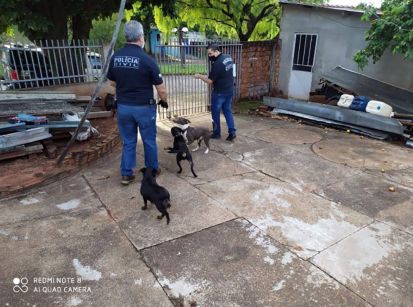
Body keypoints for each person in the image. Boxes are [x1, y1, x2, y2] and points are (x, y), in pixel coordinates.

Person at [107, 20, 168, 185]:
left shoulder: (116, 57)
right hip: (144, 108)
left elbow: (112, 83)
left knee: (128, 140)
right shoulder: (147, 60)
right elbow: (161, 89)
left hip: (124, 108)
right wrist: (164, 101)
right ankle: (152, 170)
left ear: (126, 36)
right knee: (148, 140)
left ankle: (126, 174)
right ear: (141, 37)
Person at [194, 44, 236, 141]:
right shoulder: (228, 57)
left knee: (215, 113)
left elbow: (210, 81)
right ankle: (232, 132)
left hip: (219, 93)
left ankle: (216, 133)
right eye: (208, 54)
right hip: (229, 90)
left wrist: (200, 76)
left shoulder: (217, 64)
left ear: (216, 51)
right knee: (227, 111)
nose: (209, 56)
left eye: (210, 53)